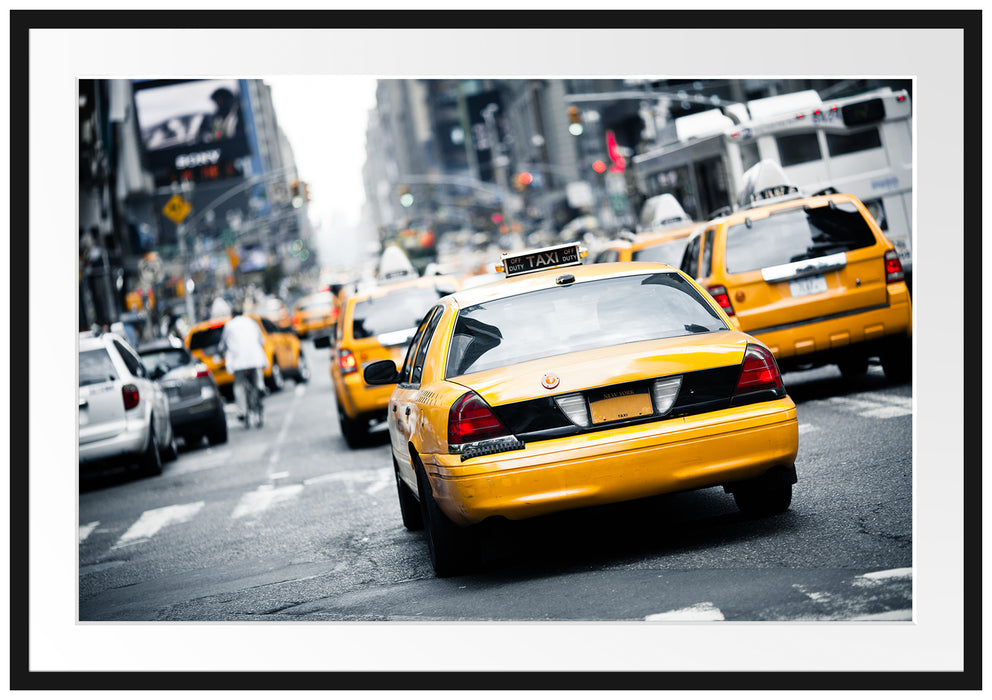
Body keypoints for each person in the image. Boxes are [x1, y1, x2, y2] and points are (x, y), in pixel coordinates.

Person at [218, 304, 268, 424]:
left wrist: (221, 353)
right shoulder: (250, 322)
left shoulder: (229, 326)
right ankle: (260, 387)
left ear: (232, 315)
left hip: (238, 360)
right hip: (255, 357)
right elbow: (261, 340)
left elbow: (222, 345)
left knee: (239, 385)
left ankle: (242, 411)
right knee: (257, 375)